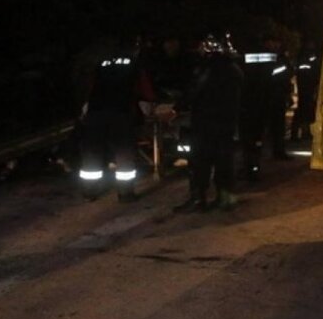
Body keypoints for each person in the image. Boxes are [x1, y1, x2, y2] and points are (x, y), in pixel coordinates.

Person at [78, 43, 157, 202]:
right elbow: (144, 87)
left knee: (93, 152)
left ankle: (89, 191)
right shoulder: (134, 64)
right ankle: (125, 193)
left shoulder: (102, 63)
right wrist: (150, 103)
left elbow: (91, 87)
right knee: (124, 153)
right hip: (121, 112)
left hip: (96, 112)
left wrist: (87, 107)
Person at [175, 33, 243, 212]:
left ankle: (198, 199)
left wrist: (177, 107)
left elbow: (193, 91)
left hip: (205, 122)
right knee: (224, 160)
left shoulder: (207, 68)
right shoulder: (234, 68)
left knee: (200, 160)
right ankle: (225, 198)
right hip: (227, 122)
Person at [239, 34, 283, 179]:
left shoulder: (242, 56)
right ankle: (254, 166)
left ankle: (249, 166)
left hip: (246, 103)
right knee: (257, 136)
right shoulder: (270, 56)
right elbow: (277, 75)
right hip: (262, 101)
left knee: (247, 138)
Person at [290, 40, 320, 141]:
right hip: (306, 87)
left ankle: (302, 133)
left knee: (305, 110)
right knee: (304, 110)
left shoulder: (307, 56)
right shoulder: (306, 57)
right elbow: (308, 72)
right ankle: (301, 133)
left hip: (307, 87)